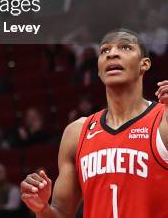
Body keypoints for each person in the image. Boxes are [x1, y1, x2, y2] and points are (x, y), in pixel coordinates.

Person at [20, 28, 168, 217]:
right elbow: (62, 213)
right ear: (98, 70)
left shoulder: (162, 120)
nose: (112, 53)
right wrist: (41, 208)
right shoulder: (76, 133)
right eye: (104, 51)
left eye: (125, 47)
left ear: (144, 64)